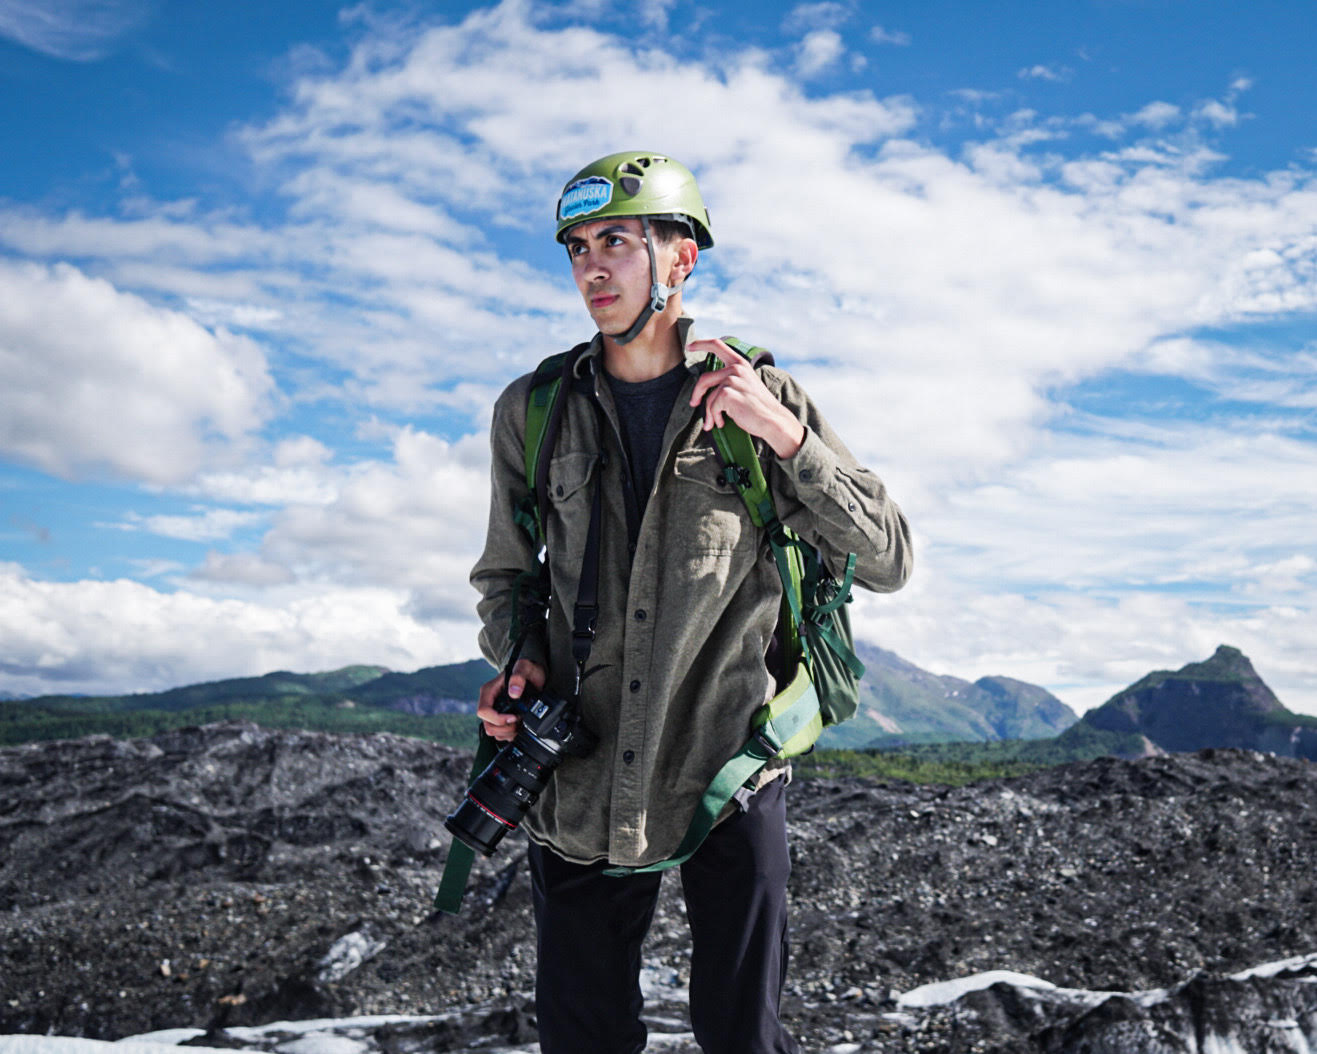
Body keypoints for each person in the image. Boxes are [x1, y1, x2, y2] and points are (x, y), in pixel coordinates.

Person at [470, 150, 912, 1054]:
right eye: (577, 247)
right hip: (579, 774)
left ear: (682, 260)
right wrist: (514, 656)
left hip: (726, 771)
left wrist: (784, 436)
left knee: (741, 1038)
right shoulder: (535, 409)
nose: (592, 266)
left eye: (619, 243)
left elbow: (888, 557)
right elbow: (507, 576)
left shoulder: (760, 398)